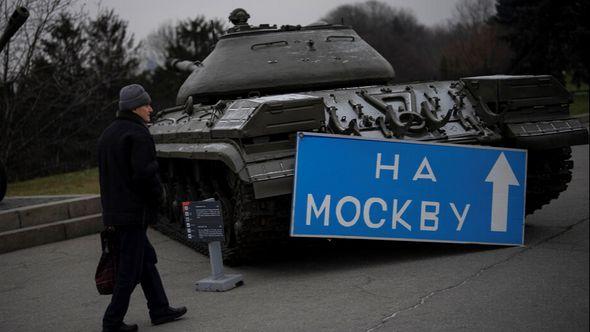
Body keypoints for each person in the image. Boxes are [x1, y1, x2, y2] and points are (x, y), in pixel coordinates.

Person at [98, 84, 187, 332]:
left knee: (145, 260)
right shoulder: (137, 134)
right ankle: (112, 321)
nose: (151, 108)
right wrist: (159, 197)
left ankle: (159, 308)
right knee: (129, 269)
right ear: (135, 107)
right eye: (147, 104)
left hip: (116, 211)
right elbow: (145, 174)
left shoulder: (108, 134)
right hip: (133, 212)